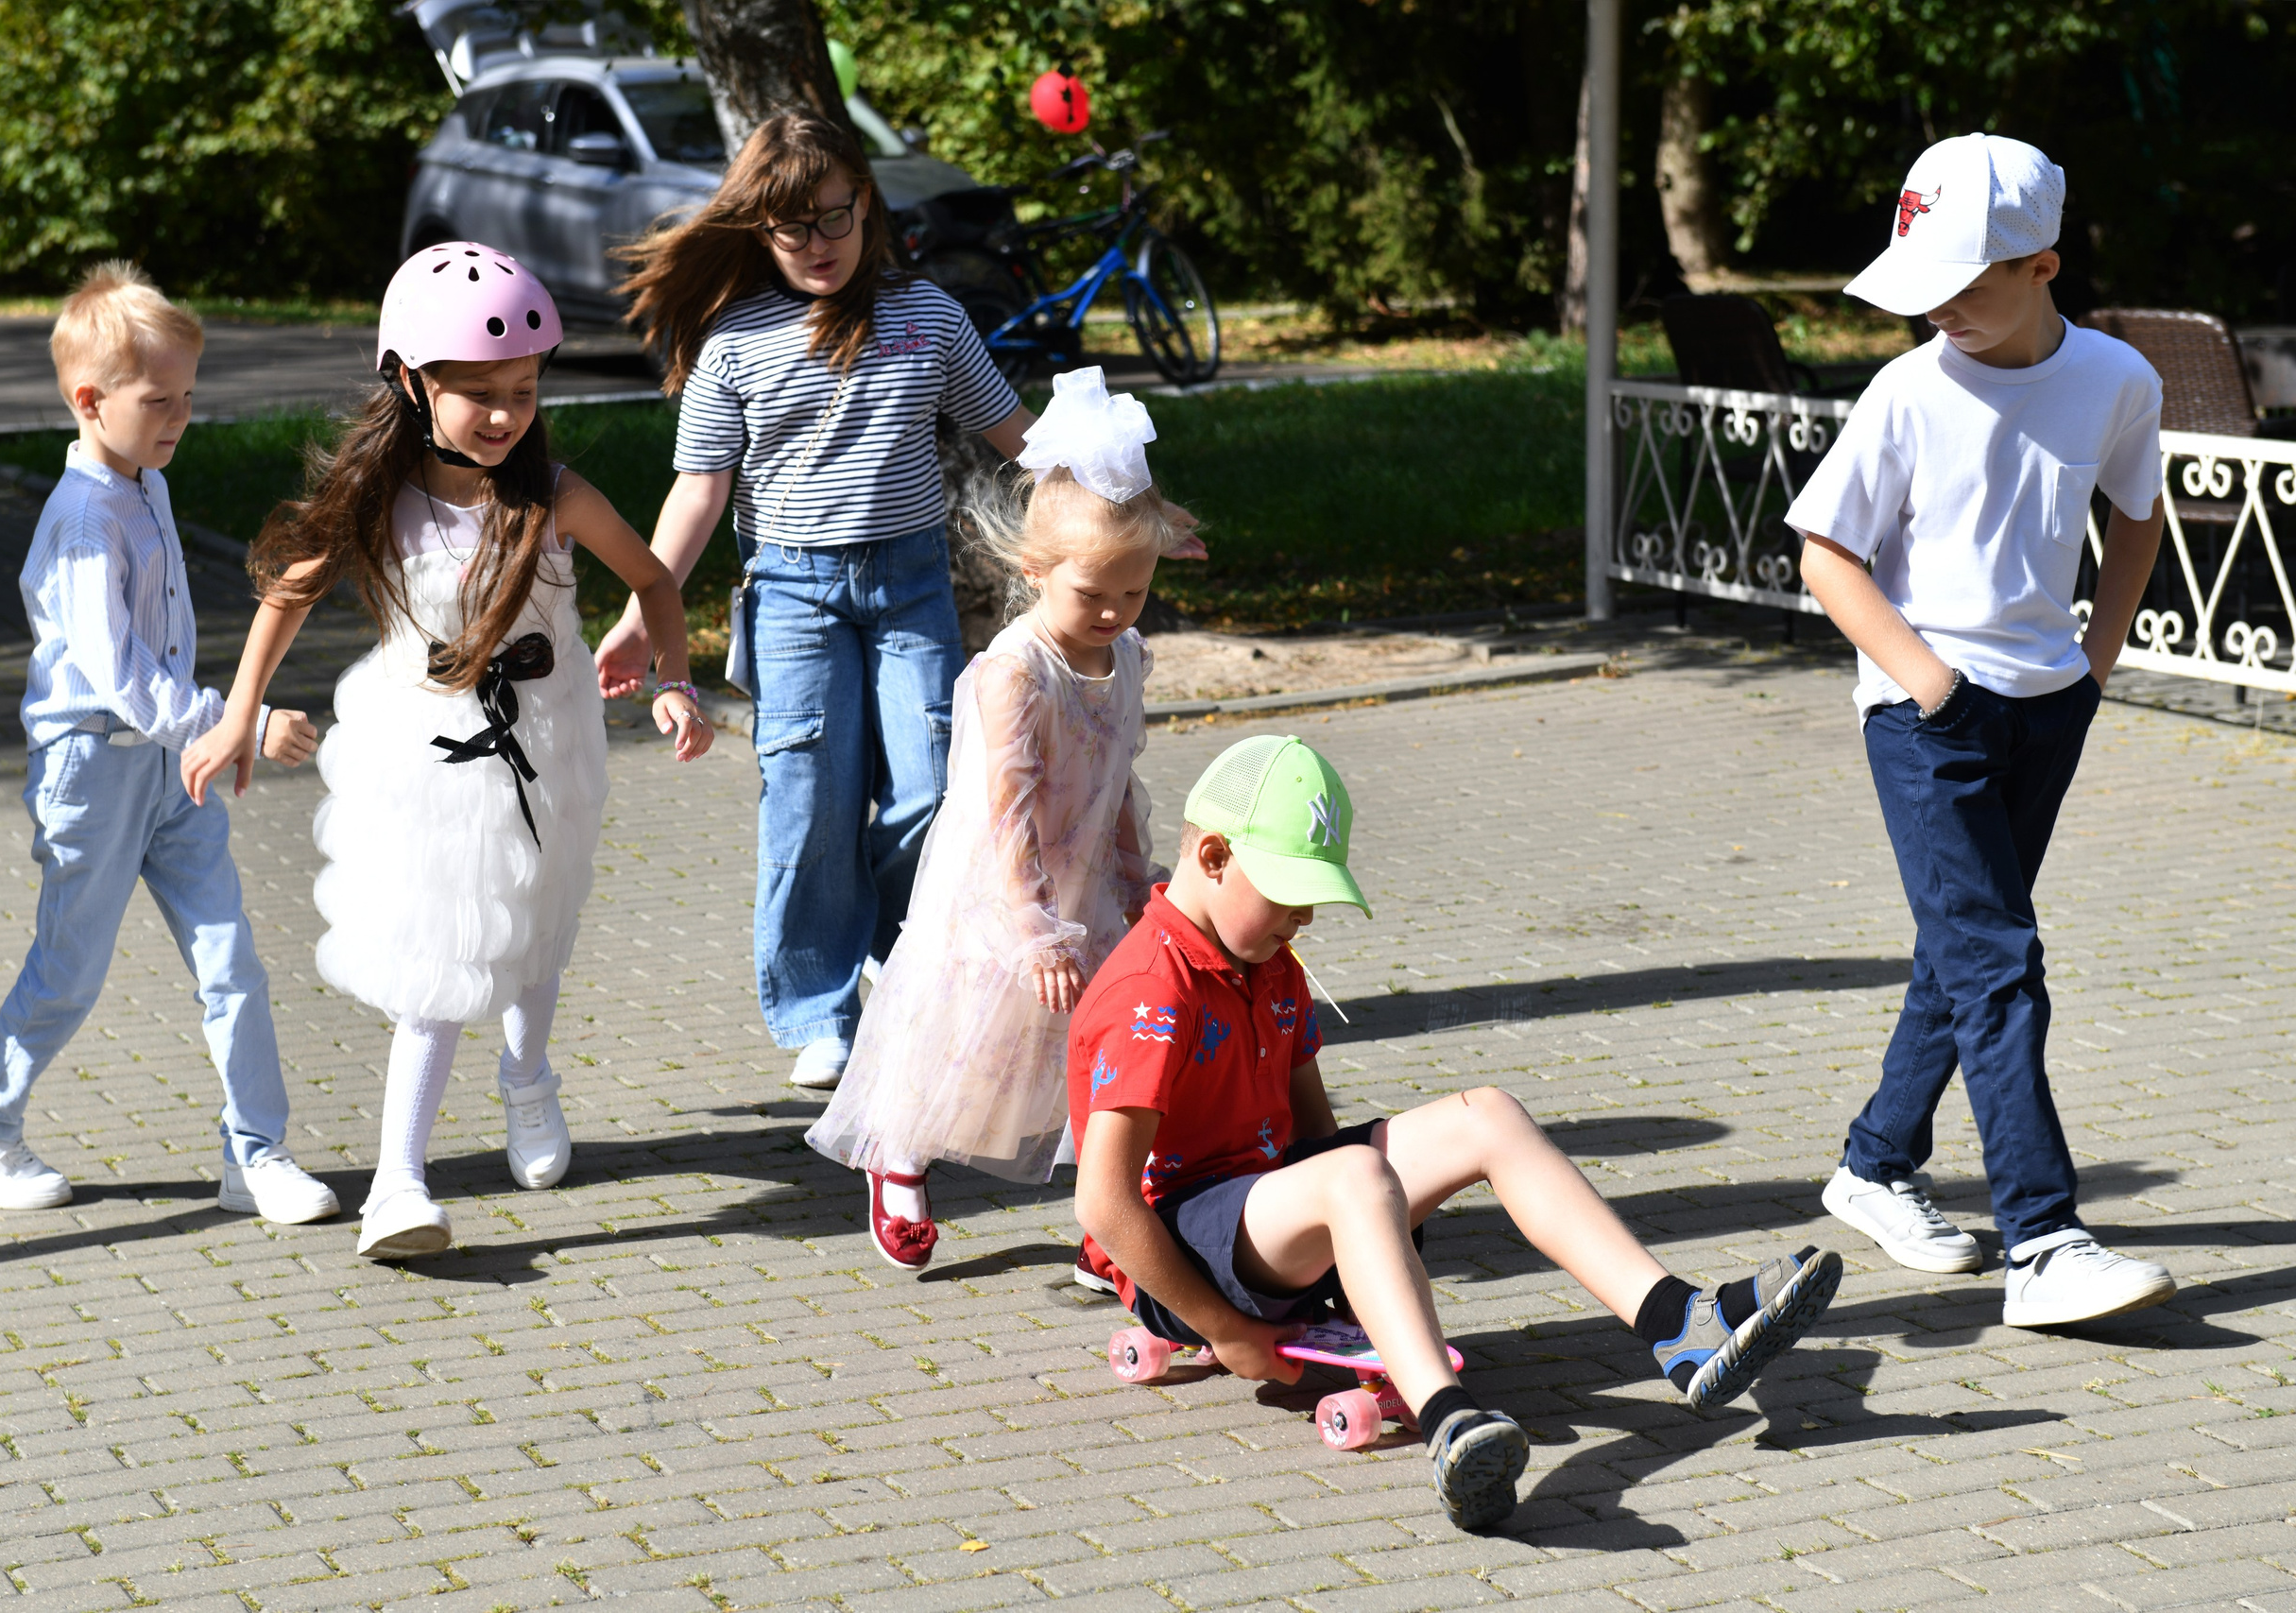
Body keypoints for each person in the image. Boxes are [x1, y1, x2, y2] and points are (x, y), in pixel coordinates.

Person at [1070, 735, 1842, 1532]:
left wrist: (1357, 1262)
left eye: (1313, 898)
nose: (1301, 917)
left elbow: (1317, 1133)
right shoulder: (1148, 989)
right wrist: (1229, 1334)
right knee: (1355, 1178)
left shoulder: (1273, 963)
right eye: (1289, 892)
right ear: (1214, 854)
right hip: (1183, 1252)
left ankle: (1680, 1324)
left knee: (1490, 1115)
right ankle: (1449, 1419)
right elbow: (1104, 1203)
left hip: (1272, 1215)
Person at [180, 244, 711, 1260]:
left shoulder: (553, 494)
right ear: (413, 384)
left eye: (522, 388)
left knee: (537, 929)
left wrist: (674, 682)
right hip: (431, 763)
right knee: (443, 960)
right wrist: (240, 708)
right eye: (478, 394)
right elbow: (285, 594)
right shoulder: (380, 499)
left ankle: (527, 1077)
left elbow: (654, 580)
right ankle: (398, 1184)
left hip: (548, 749)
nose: (506, 412)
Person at [1789, 134, 2178, 1328]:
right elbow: (1824, 557)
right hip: (1924, 719)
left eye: (1965, 282)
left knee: (1959, 957)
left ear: (2042, 263)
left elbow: (2136, 519)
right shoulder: (1907, 389)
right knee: (2000, 961)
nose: (1940, 309)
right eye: (1922, 284)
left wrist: (2092, 665)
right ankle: (2044, 1242)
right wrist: (1929, 686)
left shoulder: (2116, 378)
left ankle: (1872, 1165)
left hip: (2047, 705)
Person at [592, 111, 1037, 1093]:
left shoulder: (929, 317)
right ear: (759, 228)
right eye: (792, 227)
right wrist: (640, 609)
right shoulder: (734, 344)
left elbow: (1019, 436)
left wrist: (1128, 497)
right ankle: (819, 1011)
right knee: (807, 801)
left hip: (911, 585)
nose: (818, 244)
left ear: (864, 205)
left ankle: (879, 932)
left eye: (834, 218)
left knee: (934, 791)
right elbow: (698, 492)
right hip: (792, 596)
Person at [0, 262, 336, 1226]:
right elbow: (119, 675)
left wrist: (199, 732)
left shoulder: (141, 482)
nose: (179, 418)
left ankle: (256, 1155)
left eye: (189, 397)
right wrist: (234, 721)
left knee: (231, 959)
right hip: (92, 771)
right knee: (69, 971)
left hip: (166, 768)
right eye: (159, 401)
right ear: (88, 400)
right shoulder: (82, 519)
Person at [807, 368, 1180, 1269]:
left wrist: (1136, 880)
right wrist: (1033, 929)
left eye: (1133, 593)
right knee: (969, 1038)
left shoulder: (1124, 653)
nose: (1113, 613)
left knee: (1095, 1048)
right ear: (1034, 570)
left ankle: (1111, 1218)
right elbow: (1007, 809)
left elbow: (1116, 777)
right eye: (1093, 593)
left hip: (1083, 875)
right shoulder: (1017, 672)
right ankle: (898, 1150)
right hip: (1004, 889)